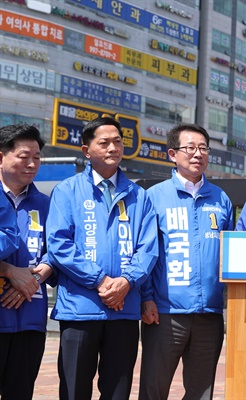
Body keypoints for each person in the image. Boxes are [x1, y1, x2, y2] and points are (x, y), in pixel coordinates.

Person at [46, 117, 158, 400]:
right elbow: (59, 244)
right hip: (80, 308)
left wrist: (126, 282)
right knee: (73, 390)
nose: (113, 148)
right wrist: (101, 280)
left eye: (118, 142)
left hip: (124, 309)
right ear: (87, 150)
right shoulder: (67, 190)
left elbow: (148, 249)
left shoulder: (139, 196)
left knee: (118, 391)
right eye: (104, 142)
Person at [139, 124, 233, 399]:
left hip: (210, 315)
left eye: (203, 148)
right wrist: (146, 298)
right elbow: (144, 252)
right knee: (153, 390)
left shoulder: (221, 198)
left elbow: (231, 252)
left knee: (201, 392)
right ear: (172, 154)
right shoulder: (153, 197)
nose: (197, 154)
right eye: (190, 148)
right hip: (165, 314)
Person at [0, 125, 54, 399]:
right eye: (24, 156)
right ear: (1, 157)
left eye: (37, 156)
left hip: (31, 317)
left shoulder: (47, 205)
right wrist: (10, 271)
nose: (32, 163)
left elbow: (57, 252)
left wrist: (32, 280)